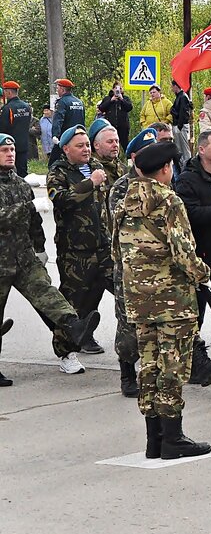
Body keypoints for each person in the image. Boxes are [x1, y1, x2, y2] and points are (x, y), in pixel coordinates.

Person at [113, 141, 211, 460]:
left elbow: (116, 251)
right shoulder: (169, 200)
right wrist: (202, 272)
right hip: (172, 298)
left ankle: (153, 439)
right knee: (173, 364)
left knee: (150, 364)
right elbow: (183, 252)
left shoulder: (122, 201)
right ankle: (173, 438)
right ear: (166, 169)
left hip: (138, 299)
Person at [0, 132, 101, 387]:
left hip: (23, 258)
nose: (10, 154)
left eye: (12, 149)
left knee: (48, 296)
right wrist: (30, 207)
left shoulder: (20, 184)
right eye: (4, 150)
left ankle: (74, 326)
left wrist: (40, 248)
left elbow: (34, 222)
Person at [46, 125, 113, 369]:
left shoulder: (97, 167)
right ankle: (66, 353)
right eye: (80, 146)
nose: (86, 150)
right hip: (75, 252)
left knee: (124, 290)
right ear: (66, 149)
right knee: (74, 304)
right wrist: (89, 183)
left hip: (103, 247)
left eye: (87, 145)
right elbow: (61, 200)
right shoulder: (58, 173)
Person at [101, 125, 153, 397]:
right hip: (129, 269)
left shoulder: (163, 182)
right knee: (129, 323)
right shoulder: (121, 188)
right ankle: (127, 373)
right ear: (134, 158)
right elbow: (125, 228)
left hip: (158, 269)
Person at [172, 129, 211, 384]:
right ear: (202, 150)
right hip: (200, 253)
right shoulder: (187, 180)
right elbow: (190, 214)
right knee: (196, 311)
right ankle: (192, 363)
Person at [0, 81, 33, 177]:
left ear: (9, 92)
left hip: (9, 144)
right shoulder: (26, 106)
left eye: (5, 92)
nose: (4, 95)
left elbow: (3, 128)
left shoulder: (8, 108)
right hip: (24, 143)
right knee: (23, 171)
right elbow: (29, 122)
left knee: (8, 171)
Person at [50, 78, 86, 159]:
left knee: (54, 162)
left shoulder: (62, 102)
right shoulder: (80, 102)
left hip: (65, 137)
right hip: (78, 135)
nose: (57, 91)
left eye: (57, 88)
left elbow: (58, 120)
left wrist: (55, 135)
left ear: (62, 89)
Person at [97, 82, 133, 151]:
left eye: (120, 88)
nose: (118, 90)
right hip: (111, 125)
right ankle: (114, 158)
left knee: (125, 144)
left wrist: (122, 99)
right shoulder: (107, 98)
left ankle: (129, 159)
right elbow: (101, 108)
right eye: (116, 88)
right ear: (113, 89)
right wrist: (111, 101)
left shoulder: (125, 98)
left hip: (123, 126)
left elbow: (129, 107)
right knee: (112, 144)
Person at [168, 81, 193, 163]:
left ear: (176, 86)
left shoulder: (182, 97)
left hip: (181, 125)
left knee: (184, 148)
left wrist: (179, 126)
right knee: (179, 148)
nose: (171, 88)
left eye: (172, 86)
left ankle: (187, 164)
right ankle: (182, 164)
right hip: (178, 124)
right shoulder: (179, 96)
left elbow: (183, 113)